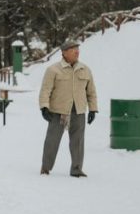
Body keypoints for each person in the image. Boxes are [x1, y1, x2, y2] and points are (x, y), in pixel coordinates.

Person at [38, 40, 98, 177]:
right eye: (73, 49)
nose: (77, 51)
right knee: (52, 141)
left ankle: (76, 169)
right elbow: (45, 91)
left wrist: (93, 109)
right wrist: (44, 108)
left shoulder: (85, 69)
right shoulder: (53, 70)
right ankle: (45, 167)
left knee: (78, 142)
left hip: (78, 111)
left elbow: (91, 92)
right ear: (64, 53)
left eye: (77, 49)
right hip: (58, 112)